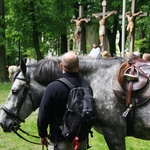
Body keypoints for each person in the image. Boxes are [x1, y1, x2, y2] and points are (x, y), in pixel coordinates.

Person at [37, 51, 87, 150]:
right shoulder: (86, 85)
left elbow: (43, 115)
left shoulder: (53, 87)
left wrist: (42, 135)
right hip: (81, 142)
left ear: (61, 66)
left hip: (60, 142)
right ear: (78, 65)